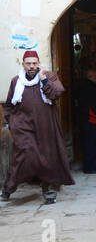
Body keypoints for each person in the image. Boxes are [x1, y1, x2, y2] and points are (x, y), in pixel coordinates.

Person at [1, 50, 74, 204]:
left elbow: (56, 93)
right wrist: (12, 121)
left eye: (35, 63)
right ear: (23, 65)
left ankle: (49, 192)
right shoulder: (16, 81)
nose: (32, 66)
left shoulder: (49, 77)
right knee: (22, 155)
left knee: (47, 157)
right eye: (28, 64)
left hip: (46, 126)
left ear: (39, 64)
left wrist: (44, 81)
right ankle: (9, 187)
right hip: (22, 126)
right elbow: (8, 104)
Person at [72, 66, 96, 173]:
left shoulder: (82, 87)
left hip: (85, 119)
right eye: (95, 76)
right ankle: (91, 167)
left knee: (89, 144)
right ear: (90, 77)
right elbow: (95, 105)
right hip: (92, 120)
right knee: (92, 145)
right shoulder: (91, 88)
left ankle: (90, 166)